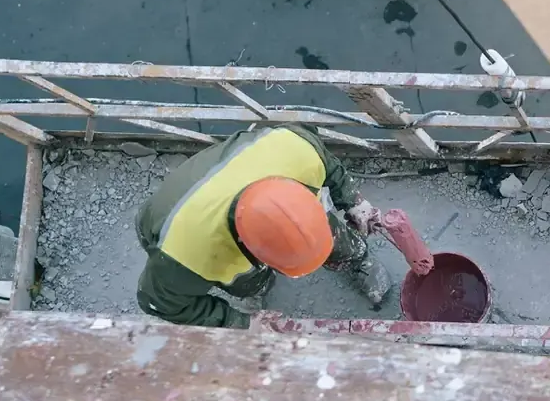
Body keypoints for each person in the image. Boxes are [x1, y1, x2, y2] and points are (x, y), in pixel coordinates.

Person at [135, 124, 402, 328]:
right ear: (249, 249)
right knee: (242, 278)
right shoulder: (183, 256)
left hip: (234, 188)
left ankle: (358, 259)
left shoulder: (294, 149)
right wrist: (241, 323)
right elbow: (161, 304)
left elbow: (325, 163)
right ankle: (258, 286)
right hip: (171, 217)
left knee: (329, 236)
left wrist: (354, 203)